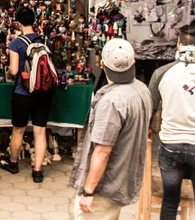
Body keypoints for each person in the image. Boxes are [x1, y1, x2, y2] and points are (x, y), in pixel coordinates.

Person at [69, 38, 152, 219]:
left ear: (103, 66)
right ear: (133, 63)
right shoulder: (142, 90)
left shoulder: (112, 101)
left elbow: (102, 151)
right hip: (123, 178)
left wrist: (88, 191)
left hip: (105, 185)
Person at [0, 6, 53, 183]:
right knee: (40, 131)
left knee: (18, 129)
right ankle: (37, 171)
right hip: (44, 92)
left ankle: (13, 163)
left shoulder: (16, 43)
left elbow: (14, 70)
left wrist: (8, 74)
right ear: (34, 20)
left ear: (18, 23)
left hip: (22, 92)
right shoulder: (45, 41)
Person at [148, 25, 195, 220]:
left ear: (178, 44)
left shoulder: (162, 73)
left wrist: (147, 132)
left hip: (170, 146)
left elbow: (148, 110)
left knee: (169, 201)